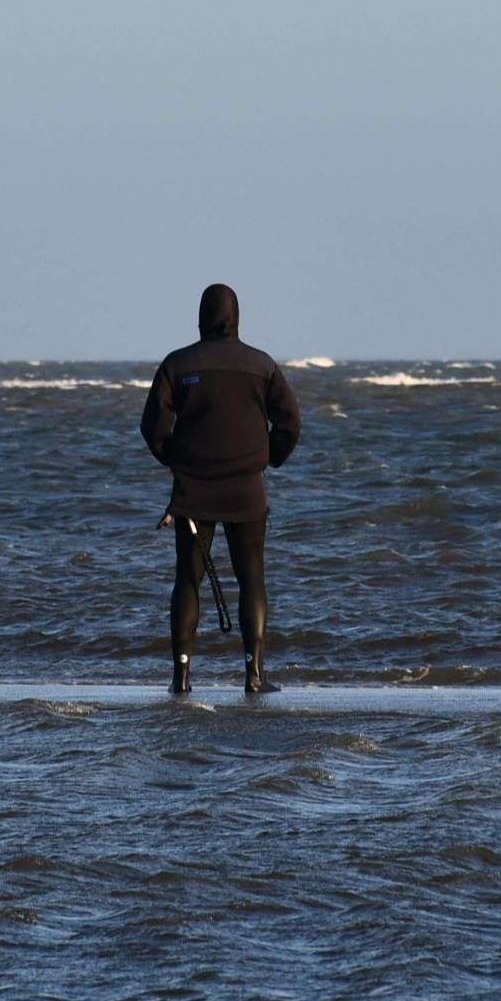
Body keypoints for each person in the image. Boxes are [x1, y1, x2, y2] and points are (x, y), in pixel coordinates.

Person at [140, 283, 302, 695]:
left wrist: (178, 460)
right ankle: (254, 675)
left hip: (192, 493)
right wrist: (268, 457)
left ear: (200, 319)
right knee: (252, 579)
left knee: (187, 580)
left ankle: (182, 677)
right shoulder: (261, 366)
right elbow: (290, 423)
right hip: (247, 490)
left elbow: (152, 429)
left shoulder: (178, 365)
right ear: (237, 319)